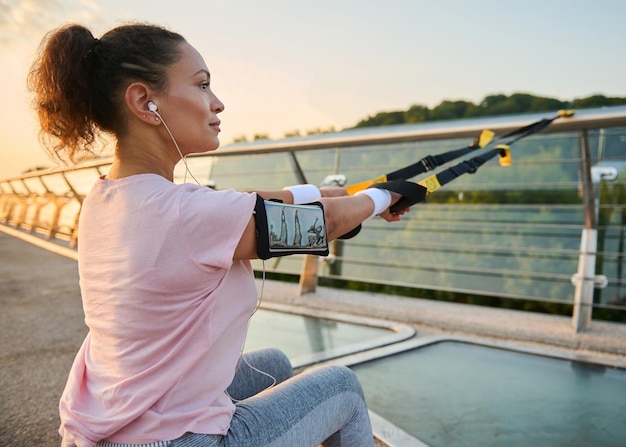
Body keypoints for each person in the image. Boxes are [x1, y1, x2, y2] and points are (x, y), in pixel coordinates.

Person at [28, 22, 410, 447]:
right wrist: (382, 197)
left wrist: (327, 193)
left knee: (275, 366)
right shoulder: (187, 214)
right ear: (143, 101)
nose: (218, 103)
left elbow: (240, 202)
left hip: (109, 426)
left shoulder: (107, 197)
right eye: (202, 85)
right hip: (172, 440)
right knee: (340, 388)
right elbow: (320, 225)